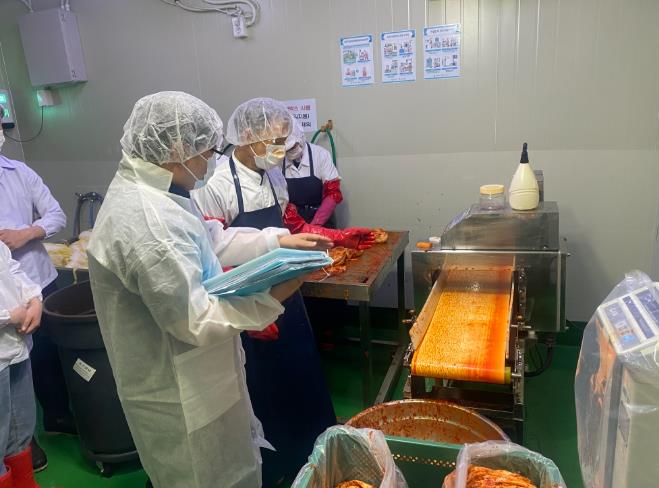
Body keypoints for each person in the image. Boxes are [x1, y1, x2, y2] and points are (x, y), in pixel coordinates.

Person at [87, 91, 313, 488]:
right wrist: (272, 296)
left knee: (233, 465)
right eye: (206, 152)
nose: (210, 161)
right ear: (176, 149)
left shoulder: (163, 193)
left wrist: (277, 241)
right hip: (178, 392)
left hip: (203, 374)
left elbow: (210, 238)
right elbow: (196, 320)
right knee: (201, 475)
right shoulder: (148, 222)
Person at [192, 97, 373, 485]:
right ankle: (276, 472)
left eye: (283, 142)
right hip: (246, 307)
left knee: (302, 378)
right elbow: (211, 258)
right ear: (247, 136)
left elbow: (291, 227)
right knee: (264, 394)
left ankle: (316, 462)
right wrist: (248, 308)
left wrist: (337, 236)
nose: (280, 150)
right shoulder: (217, 186)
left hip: (288, 301)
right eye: (274, 141)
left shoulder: (272, 175)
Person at [0, 114, 71, 471]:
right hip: (5, 298)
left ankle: (57, 416)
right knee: (13, 372)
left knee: (46, 357)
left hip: (37, 280)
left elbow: (56, 216)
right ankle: (24, 441)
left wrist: (26, 233)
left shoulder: (19, 173)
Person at [0, 240, 43, 488]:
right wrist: (8, 316)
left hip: (16, 349)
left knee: (20, 427)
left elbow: (12, 269)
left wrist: (34, 300)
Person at [282, 120, 342, 228]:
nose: (291, 151)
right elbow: (279, 198)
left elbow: (333, 193)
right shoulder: (278, 161)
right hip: (292, 222)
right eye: (287, 149)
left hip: (323, 219)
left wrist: (315, 225)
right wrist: (296, 224)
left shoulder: (320, 154)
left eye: (294, 146)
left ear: (301, 138)